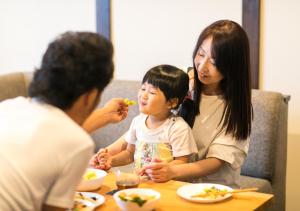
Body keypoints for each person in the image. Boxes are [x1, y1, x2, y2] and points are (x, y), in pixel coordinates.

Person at [89, 20, 252, 188]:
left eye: (214, 62)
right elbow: (145, 128)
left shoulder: (236, 107)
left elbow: (216, 161)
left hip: (212, 189)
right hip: (168, 184)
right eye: (201, 54)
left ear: (232, 66)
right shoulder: (180, 80)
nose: (202, 67)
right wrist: (106, 153)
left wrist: (172, 171)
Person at [0, 32, 128, 211]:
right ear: (90, 96)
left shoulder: (7, 108)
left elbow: (54, 132)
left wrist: (106, 113)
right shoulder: (78, 143)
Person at [90, 65, 198, 173]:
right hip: (140, 183)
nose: (143, 95)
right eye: (143, 89)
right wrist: (111, 160)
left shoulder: (177, 127)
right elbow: (129, 154)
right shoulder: (137, 122)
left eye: (152, 92)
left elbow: (182, 162)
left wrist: (164, 170)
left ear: (172, 102)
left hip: (165, 185)